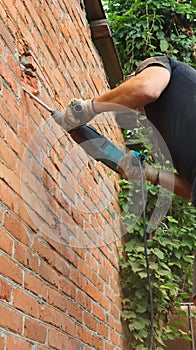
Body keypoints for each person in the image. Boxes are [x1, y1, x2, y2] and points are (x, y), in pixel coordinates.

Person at [51, 56, 196, 206]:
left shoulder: (165, 65)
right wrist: (151, 174)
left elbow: (145, 89)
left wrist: (88, 108)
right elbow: (191, 191)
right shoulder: (174, 123)